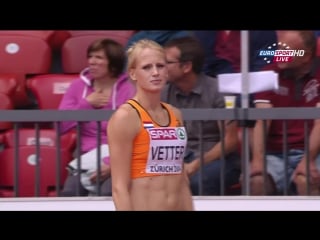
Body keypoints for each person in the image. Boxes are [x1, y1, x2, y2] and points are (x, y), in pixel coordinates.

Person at [107, 39, 194, 210]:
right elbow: (119, 188)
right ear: (132, 74)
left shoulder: (175, 115)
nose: (155, 72)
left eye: (160, 66)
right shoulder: (125, 117)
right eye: (147, 67)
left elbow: (182, 178)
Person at [161, 36, 241, 195]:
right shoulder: (163, 93)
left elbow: (230, 141)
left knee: (198, 181)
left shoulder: (219, 91)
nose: (160, 68)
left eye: (167, 63)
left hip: (216, 159)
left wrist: (196, 164)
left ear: (186, 67)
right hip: (177, 158)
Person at [58, 38, 136, 196]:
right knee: (70, 192)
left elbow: (137, 131)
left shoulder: (129, 89)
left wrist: (113, 164)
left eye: (99, 58)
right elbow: (61, 126)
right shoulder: (77, 86)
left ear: (113, 63)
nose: (92, 62)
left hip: (120, 156)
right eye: (90, 57)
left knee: (109, 192)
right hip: (86, 156)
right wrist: (86, 104)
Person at [249, 30, 320, 195]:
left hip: (315, 152)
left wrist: (307, 160)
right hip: (276, 153)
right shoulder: (268, 72)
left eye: (286, 51)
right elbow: (262, 120)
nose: (279, 55)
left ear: (306, 56)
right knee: (257, 181)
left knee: (306, 179)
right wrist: (258, 160)